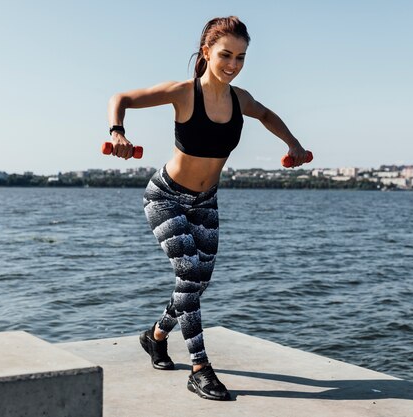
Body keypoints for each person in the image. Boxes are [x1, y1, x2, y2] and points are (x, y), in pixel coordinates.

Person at [106, 16, 310, 401]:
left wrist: (293, 144)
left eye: (241, 57)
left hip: (205, 202)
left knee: (196, 283)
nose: (233, 64)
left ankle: (156, 336)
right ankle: (200, 367)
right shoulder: (184, 93)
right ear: (206, 52)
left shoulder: (240, 100)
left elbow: (266, 114)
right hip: (165, 196)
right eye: (225, 55)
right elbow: (123, 98)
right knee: (188, 275)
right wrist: (117, 131)